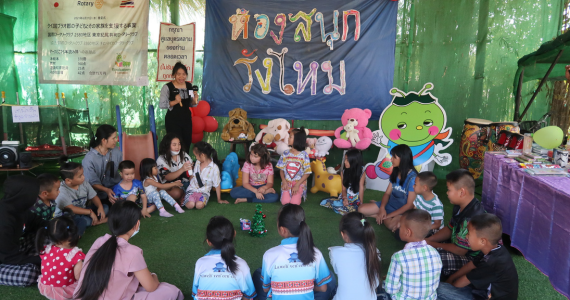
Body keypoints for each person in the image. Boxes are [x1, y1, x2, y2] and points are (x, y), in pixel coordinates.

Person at [74, 200, 183, 300]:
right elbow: (151, 287)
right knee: (171, 291)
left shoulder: (99, 241)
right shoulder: (132, 252)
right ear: (136, 224)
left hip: (81, 297)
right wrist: (154, 276)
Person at [253, 204, 336, 300]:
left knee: (258, 273)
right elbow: (322, 288)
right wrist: (305, 285)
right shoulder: (316, 253)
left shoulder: (269, 255)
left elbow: (266, 289)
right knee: (330, 277)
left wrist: (283, 286)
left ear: (282, 230)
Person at [437, 214, 518, 300]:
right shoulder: (494, 249)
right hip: (482, 290)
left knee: (439, 290)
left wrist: (449, 287)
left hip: (487, 296)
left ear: (482, 241)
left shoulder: (491, 263)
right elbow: (471, 265)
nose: (466, 236)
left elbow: (463, 281)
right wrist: (451, 278)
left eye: (469, 233)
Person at [426, 169, 485, 277]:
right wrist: (428, 240)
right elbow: (449, 228)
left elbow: (460, 250)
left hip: (469, 258)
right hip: (456, 242)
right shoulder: (460, 205)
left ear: (462, 192)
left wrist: (431, 244)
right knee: (425, 232)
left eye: (449, 190)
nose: (447, 193)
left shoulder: (471, 218)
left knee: (433, 258)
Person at [192, 216, 257, 299]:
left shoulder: (200, 263)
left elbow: (195, 293)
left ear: (208, 242)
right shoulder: (241, 264)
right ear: (234, 234)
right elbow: (249, 295)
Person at [383, 209, 442, 300]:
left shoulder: (399, 257)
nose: (398, 227)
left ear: (408, 232)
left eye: (400, 226)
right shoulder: (435, 252)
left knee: (381, 285)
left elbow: (390, 289)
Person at [359, 144, 417, 231]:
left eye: (394, 157)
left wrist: (388, 215)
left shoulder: (413, 178)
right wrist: (382, 208)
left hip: (401, 211)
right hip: (389, 205)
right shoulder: (396, 171)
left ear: (403, 158)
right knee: (361, 209)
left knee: (392, 226)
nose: (391, 159)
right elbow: (387, 193)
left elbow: (410, 205)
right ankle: (380, 214)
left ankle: (379, 216)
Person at [0, 175, 45, 287]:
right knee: (29, 274)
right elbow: (8, 257)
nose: (36, 198)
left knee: (45, 236)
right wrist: (44, 260)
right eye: (34, 194)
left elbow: (36, 222)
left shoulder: (18, 208)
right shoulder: (4, 221)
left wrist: (57, 228)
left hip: (13, 248)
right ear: (24, 196)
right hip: (5, 258)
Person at [329, 212, 381, 300]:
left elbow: (340, 272)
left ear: (343, 234)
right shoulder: (375, 251)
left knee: (328, 276)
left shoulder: (335, 252)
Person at [55, 157, 108, 237]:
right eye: (80, 176)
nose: (83, 177)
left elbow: (94, 197)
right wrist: (90, 212)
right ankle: (93, 221)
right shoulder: (61, 190)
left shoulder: (84, 183)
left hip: (84, 211)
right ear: (68, 180)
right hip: (68, 215)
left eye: (83, 174)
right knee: (82, 221)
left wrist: (100, 207)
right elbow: (71, 209)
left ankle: (92, 220)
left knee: (105, 207)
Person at [36, 216, 85, 300]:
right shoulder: (75, 254)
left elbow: (43, 270)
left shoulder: (46, 249)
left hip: (47, 289)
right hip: (65, 292)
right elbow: (78, 277)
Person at [159, 62, 198, 151]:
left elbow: (192, 103)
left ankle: (185, 163)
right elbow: (162, 105)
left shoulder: (189, 86)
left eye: (184, 74)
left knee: (186, 142)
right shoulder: (167, 87)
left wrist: (195, 98)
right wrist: (175, 101)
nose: (181, 77)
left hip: (186, 120)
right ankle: (174, 164)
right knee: (175, 144)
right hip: (173, 121)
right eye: (178, 74)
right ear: (174, 75)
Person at [82, 124, 122, 205]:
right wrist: (106, 190)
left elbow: (123, 168)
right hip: (99, 195)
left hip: (117, 190)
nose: (116, 140)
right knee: (106, 209)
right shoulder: (89, 159)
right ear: (104, 140)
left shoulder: (116, 151)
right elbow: (91, 183)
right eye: (113, 138)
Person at [184, 141, 228, 209]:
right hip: (192, 190)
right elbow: (193, 176)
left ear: (202, 155)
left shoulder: (214, 168)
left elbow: (217, 184)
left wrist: (219, 199)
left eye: (196, 155)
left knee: (199, 205)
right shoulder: (198, 163)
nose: (195, 158)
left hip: (204, 193)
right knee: (190, 205)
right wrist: (190, 175)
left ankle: (190, 199)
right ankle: (185, 198)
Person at [321, 149, 366, 215]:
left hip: (356, 199)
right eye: (345, 159)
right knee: (324, 202)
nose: (345, 162)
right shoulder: (343, 172)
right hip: (345, 197)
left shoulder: (362, 172)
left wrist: (361, 203)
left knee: (358, 209)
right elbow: (344, 189)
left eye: (347, 160)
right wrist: (345, 198)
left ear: (354, 160)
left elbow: (361, 188)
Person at [276, 127, 312, 205]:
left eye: (290, 137)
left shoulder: (304, 155)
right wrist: (284, 181)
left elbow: (307, 173)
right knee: (285, 202)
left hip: (299, 183)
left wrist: (297, 185)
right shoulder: (285, 153)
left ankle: (298, 194)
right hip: (287, 183)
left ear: (297, 140)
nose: (288, 138)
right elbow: (281, 169)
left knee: (295, 203)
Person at [157, 133, 193, 204]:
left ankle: (185, 194)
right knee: (176, 193)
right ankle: (161, 191)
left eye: (179, 144)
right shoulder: (161, 159)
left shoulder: (184, 155)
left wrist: (192, 182)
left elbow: (191, 172)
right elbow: (167, 177)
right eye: (174, 145)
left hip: (185, 183)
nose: (177, 147)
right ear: (167, 145)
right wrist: (182, 169)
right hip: (171, 185)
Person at [410, 171, 444, 236]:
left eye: (415, 184)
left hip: (432, 230)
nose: (413, 186)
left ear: (424, 188)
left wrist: (422, 228)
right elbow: (415, 210)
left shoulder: (436, 204)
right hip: (422, 224)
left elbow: (437, 225)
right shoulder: (419, 196)